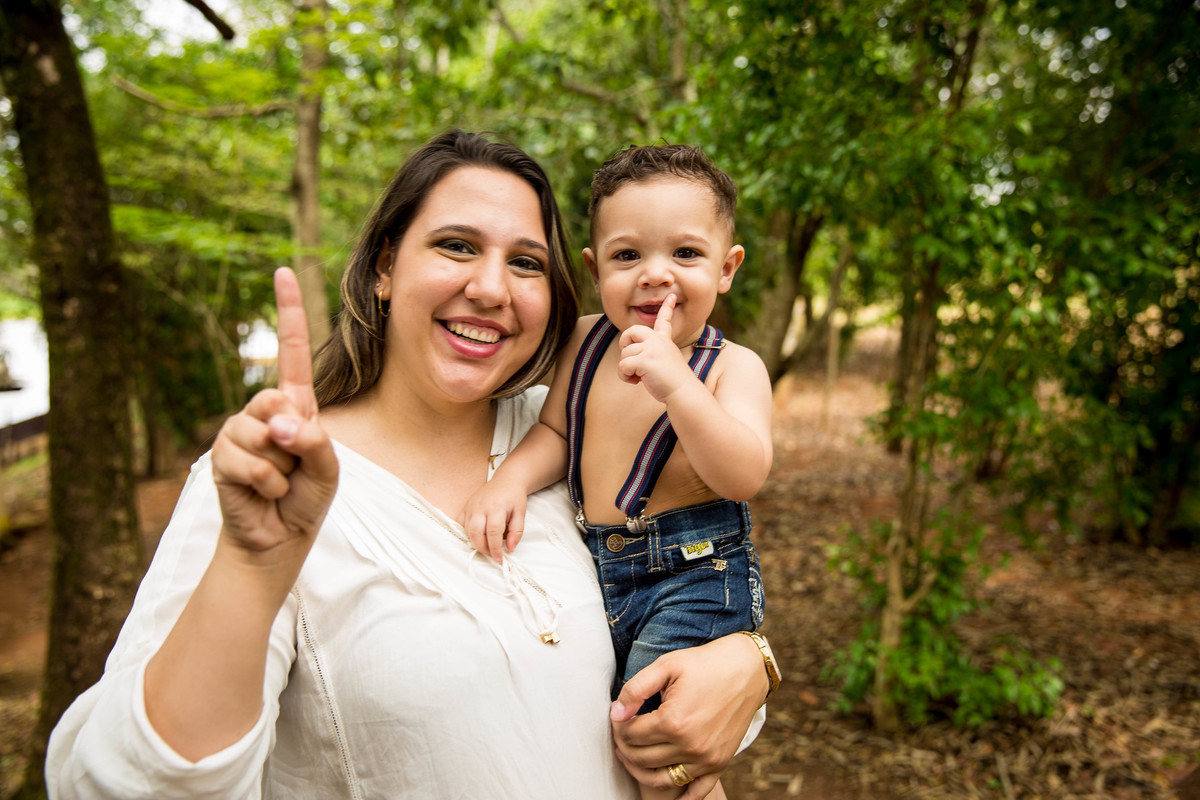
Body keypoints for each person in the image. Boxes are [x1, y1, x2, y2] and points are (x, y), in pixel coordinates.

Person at [44, 130, 776, 800]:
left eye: (524, 262)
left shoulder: (564, 435)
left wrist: (749, 665)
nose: (491, 288)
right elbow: (124, 785)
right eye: (457, 246)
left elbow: (681, 601)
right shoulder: (271, 483)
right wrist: (252, 562)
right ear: (387, 265)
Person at [461, 144, 774, 799]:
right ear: (593, 265)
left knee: (651, 738)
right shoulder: (582, 342)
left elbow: (742, 474)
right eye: (628, 255)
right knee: (592, 726)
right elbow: (555, 431)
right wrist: (511, 480)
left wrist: (679, 387)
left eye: (685, 254)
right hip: (601, 574)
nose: (654, 275)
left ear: (727, 268)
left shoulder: (731, 366)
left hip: (694, 574)